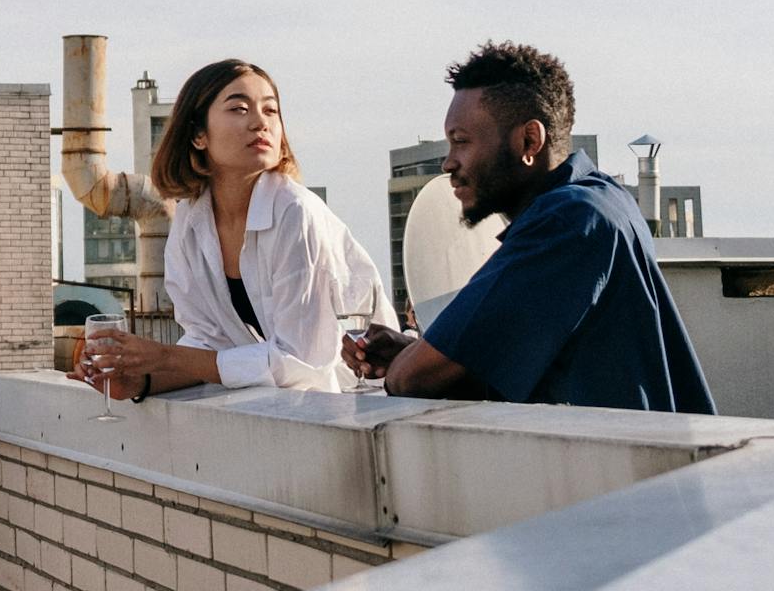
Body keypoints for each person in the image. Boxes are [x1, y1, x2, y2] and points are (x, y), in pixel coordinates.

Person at [345, 41, 715, 413]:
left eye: (461, 142)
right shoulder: (603, 199)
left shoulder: (568, 222)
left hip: (626, 463)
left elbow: (412, 380)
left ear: (529, 140)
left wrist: (405, 364)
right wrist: (412, 350)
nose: (448, 163)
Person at [81, 58, 395, 397]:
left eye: (271, 111)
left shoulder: (295, 212)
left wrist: (165, 356)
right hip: (288, 411)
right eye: (240, 109)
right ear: (199, 135)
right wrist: (138, 380)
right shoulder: (191, 219)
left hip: (366, 402)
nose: (260, 122)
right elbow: (207, 345)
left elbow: (301, 362)